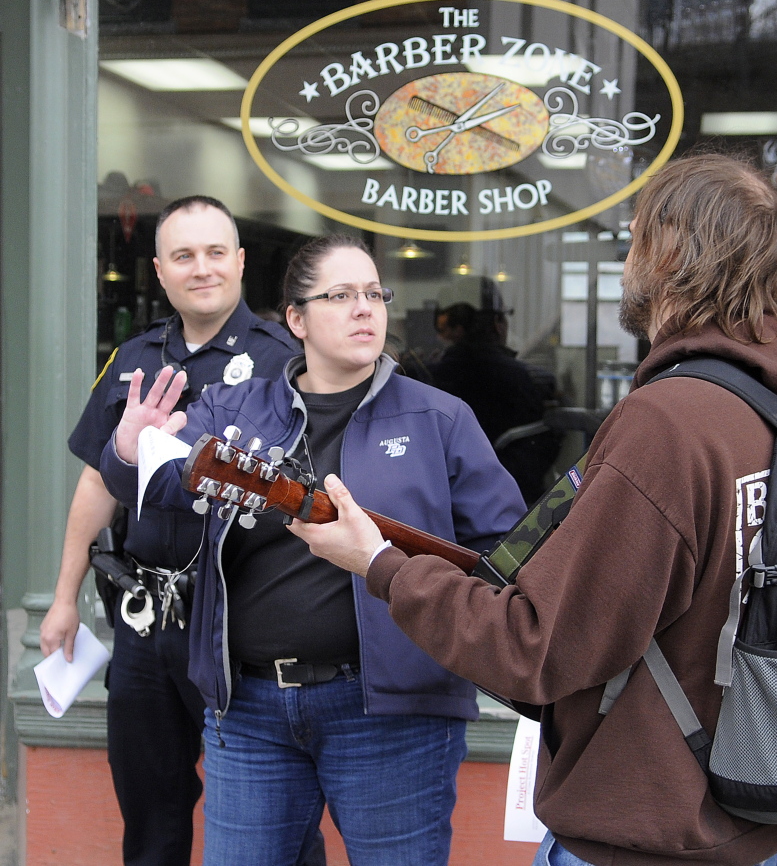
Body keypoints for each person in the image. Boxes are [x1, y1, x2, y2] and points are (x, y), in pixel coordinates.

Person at [289, 154, 777, 866]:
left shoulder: (667, 425)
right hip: (742, 828)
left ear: (667, 252)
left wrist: (380, 565)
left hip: (641, 837)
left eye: (636, 233)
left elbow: (533, 646)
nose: (627, 254)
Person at [99, 233, 526, 866]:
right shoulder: (233, 406)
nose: (365, 309)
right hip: (247, 712)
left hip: (394, 715)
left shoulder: (441, 418)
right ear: (296, 319)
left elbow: (504, 560)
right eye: (342, 295)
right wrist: (129, 452)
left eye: (375, 294)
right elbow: (160, 487)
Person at [39, 196, 301, 866]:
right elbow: (97, 480)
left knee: (273, 826)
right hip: (144, 621)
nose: (201, 268)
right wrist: (65, 597)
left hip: (236, 625)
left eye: (216, 252)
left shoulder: (284, 362)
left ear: (241, 262)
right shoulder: (133, 357)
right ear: (159, 271)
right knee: (150, 819)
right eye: (183, 255)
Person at [431, 287, 560, 503]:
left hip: (445, 496)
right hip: (513, 499)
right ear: (497, 324)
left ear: (459, 331)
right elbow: (539, 449)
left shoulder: (432, 377)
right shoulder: (521, 378)